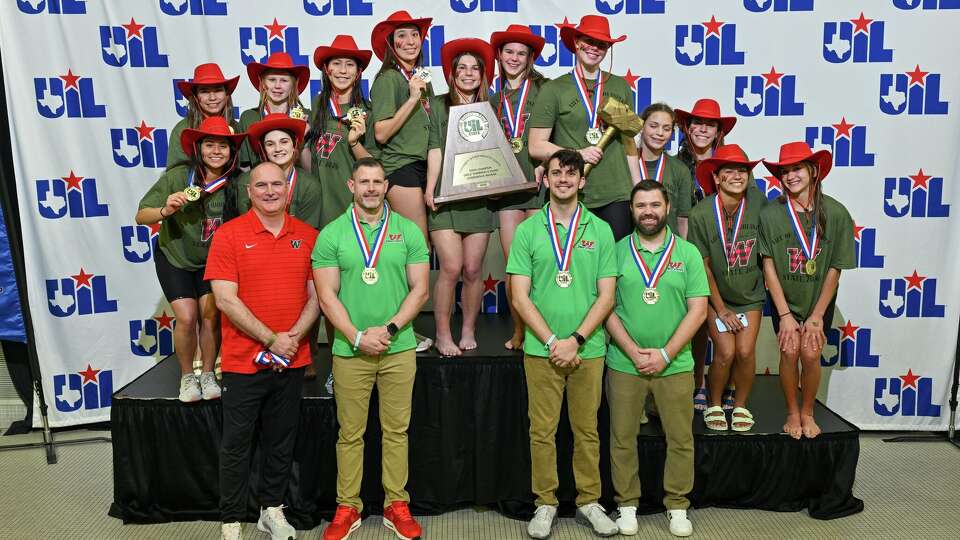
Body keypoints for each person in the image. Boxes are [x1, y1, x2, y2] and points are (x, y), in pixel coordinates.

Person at [313, 157, 430, 540]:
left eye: (378, 181)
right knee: (351, 433)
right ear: (351, 186)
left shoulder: (408, 231)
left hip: (398, 348)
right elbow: (326, 296)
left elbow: (420, 290)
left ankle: (397, 504)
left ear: (385, 187)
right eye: (364, 181)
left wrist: (391, 328)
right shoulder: (331, 234)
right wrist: (358, 336)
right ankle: (348, 506)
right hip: (350, 350)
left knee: (396, 430)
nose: (371, 188)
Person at [204, 162, 320, 540]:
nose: (270, 191)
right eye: (261, 185)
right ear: (249, 192)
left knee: (281, 440)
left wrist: (292, 339)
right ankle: (231, 520)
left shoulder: (309, 235)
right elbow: (224, 299)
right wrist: (273, 339)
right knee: (236, 445)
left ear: (288, 189)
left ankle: (271, 510)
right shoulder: (229, 235)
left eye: (277, 184)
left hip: (292, 359)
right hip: (242, 362)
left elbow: (318, 296)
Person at [507, 149, 618, 539]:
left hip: (588, 348)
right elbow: (520, 296)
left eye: (572, 173)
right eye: (557, 173)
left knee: (587, 429)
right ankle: (546, 503)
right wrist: (555, 340)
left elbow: (607, 296)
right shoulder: (528, 230)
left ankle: (589, 500)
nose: (564, 179)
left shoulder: (601, 230)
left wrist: (576, 339)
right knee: (542, 430)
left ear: (583, 181)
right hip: (542, 350)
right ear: (546, 178)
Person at [604, 180, 708, 537]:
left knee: (680, 438)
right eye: (641, 205)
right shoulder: (615, 251)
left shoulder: (688, 254)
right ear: (631, 211)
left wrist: (665, 354)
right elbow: (605, 308)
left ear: (667, 208)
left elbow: (697, 311)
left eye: (654, 205)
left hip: (675, 365)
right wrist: (633, 351)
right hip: (623, 362)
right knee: (622, 438)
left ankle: (677, 505)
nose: (648, 211)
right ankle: (627, 505)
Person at [136, 116, 244, 402]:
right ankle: (187, 376)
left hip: (213, 261)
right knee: (186, 316)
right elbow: (141, 214)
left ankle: (208, 373)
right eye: (210, 145)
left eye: (223, 146)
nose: (216, 151)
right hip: (175, 256)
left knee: (210, 317)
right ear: (198, 148)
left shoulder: (236, 183)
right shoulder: (178, 177)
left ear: (232, 152)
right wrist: (166, 209)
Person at [759, 142, 855, 439]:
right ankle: (791, 411)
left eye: (797, 169)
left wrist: (816, 315)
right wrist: (785, 314)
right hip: (783, 299)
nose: (790, 176)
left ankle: (808, 411)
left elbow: (835, 269)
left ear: (813, 171)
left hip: (818, 301)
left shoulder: (837, 213)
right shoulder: (770, 213)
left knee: (810, 353)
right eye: (784, 171)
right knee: (789, 351)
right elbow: (769, 266)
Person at [528, 15, 641, 241]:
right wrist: (577, 154)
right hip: (571, 190)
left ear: (608, 49)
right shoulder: (554, 89)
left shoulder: (620, 86)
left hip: (617, 192)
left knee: (614, 267)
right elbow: (535, 146)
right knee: (572, 266)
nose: (594, 48)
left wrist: (638, 187)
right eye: (589, 41)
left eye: (602, 44)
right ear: (576, 42)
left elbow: (629, 143)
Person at [424, 38, 497, 356]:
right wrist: (430, 188)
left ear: (482, 74)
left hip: (479, 198)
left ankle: (468, 329)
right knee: (451, 267)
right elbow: (436, 149)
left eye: (474, 68)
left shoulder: (490, 106)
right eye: (461, 68)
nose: (468, 74)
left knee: (472, 270)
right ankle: (442, 334)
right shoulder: (439, 105)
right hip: (446, 199)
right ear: (451, 74)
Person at [687, 145, 767, 431]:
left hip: (750, 297)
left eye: (742, 170)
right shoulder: (700, 213)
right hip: (714, 298)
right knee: (725, 353)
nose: (737, 175)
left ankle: (742, 404)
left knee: (745, 352)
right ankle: (715, 402)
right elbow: (703, 266)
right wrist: (720, 310)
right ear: (716, 178)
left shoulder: (760, 203)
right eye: (729, 171)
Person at [675, 98, 746, 409]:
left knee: (730, 315)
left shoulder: (731, 162)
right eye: (697, 123)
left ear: (719, 131)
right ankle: (698, 380)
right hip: (691, 249)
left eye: (710, 125)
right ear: (687, 128)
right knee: (697, 318)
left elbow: (747, 205)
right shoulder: (676, 163)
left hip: (727, 251)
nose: (702, 129)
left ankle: (729, 382)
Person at [489, 24, 548, 351]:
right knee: (515, 265)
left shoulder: (544, 90)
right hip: (507, 191)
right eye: (508, 52)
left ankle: (541, 330)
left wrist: (544, 166)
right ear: (499, 55)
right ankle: (519, 330)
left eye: (521, 53)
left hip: (539, 186)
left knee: (540, 263)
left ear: (530, 58)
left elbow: (556, 134)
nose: (514, 58)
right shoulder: (491, 96)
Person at [369, 10, 434, 245]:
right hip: (402, 166)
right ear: (391, 43)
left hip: (424, 167)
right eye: (402, 35)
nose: (410, 42)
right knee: (417, 246)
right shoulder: (388, 78)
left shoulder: (420, 78)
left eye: (414, 35)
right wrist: (411, 99)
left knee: (422, 245)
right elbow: (381, 133)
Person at [307, 35, 377, 230]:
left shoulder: (368, 111)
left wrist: (356, 143)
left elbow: (375, 166)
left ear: (358, 72)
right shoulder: (316, 105)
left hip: (354, 206)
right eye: (336, 63)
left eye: (350, 65)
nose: (343, 71)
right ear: (326, 70)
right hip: (321, 210)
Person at [238, 113, 321, 228]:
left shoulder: (310, 185)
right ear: (263, 149)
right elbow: (247, 228)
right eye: (270, 144)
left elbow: (307, 234)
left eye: (284, 142)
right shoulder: (246, 181)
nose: (278, 149)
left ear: (294, 145)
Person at [237, 52, 311, 169]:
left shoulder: (307, 116)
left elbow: (310, 171)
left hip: (296, 186)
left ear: (293, 85)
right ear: (262, 83)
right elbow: (245, 168)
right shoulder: (249, 118)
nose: (277, 86)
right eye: (272, 79)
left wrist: (302, 141)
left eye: (284, 80)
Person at [635, 103, 693, 238]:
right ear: (642, 126)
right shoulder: (625, 163)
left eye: (666, 128)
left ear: (672, 133)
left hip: (668, 250)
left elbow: (683, 220)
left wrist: (682, 252)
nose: (660, 133)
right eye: (653, 126)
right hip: (631, 248)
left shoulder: (680, 170)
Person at [168, 63, 240, 169]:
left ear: (227, 94)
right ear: (195, 97)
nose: (212, 98)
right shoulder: (182, 130)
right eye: (204, 91)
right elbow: (175, 175)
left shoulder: (237, 127)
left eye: (218, 90)